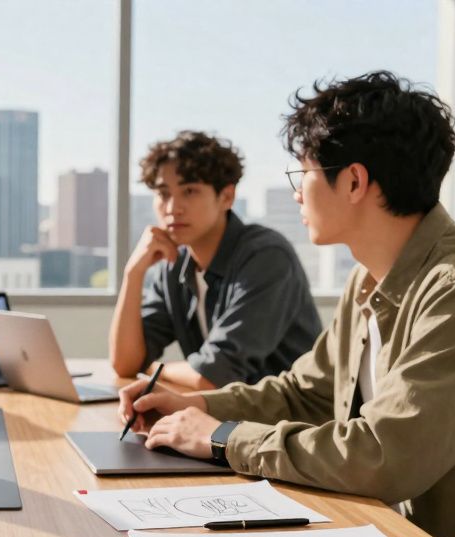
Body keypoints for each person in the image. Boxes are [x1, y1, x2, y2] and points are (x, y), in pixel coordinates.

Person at [118, 72, 455, 537]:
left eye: (305, 173)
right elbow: (306, 393)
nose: (297, 192)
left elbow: (386, 457)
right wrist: (194, 405)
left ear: (355, 182)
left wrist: (222, 437)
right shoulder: (369, 278)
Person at [109, 131, 320, 390]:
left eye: (189, 191)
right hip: (226, 417)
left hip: (288, 423)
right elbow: (125, 363)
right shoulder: (175, 264)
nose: (173, 208)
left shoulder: (266, 257)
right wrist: (133, 273)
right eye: (163, 193)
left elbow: (213, 376)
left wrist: (154, 369)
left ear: (227, 197)